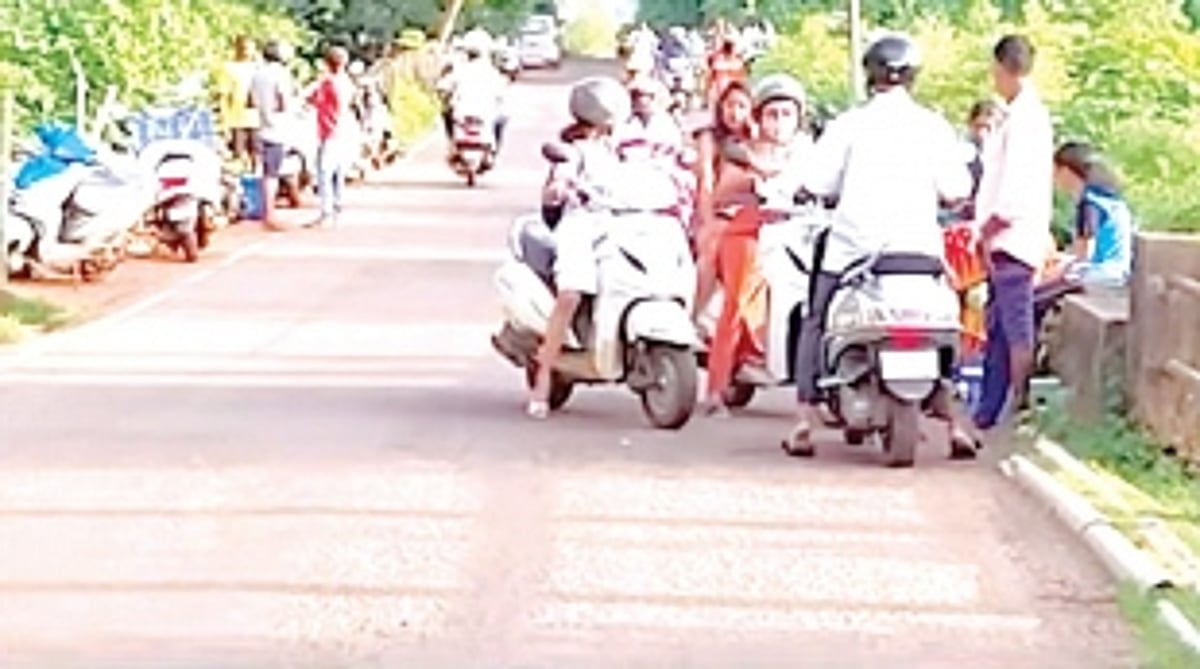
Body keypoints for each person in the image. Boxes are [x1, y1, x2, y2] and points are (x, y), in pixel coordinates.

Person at [784, 33, 978, 458]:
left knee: (815, 319)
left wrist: (810, 192)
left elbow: (818, 183)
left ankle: (804, 420)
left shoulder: (849, 124)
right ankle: (957, 423)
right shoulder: (933, 126)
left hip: (854, 254)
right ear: (913, 76)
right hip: (920, 254)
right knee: (946, 324)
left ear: (870, 75)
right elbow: (957, 188)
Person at [701, 74, 812, 416]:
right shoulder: (744, 154)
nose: (779, 123)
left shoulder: (811, 153)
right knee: (737, 303)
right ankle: (716, 388)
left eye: (787, 115)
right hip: (751, 232)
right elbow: (721, 194)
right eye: (772, 115)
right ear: (759, 118)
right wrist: (754, 180)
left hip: (803, 231)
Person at [527, 77, 630, 419]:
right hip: (580, 223)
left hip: (619, 223)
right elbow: (560, 176)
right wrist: (560, 187)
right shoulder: (573, 149)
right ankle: (543, 374)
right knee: (571, 292)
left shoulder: (622, 149)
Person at [971, 34, 1055, 434]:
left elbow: (1015, 186)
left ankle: (1019, 407)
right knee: (1000, 328)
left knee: (1016, 327)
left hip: (1013, 237)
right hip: (1008, 237)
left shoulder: (1026, 120)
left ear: (1003, 68)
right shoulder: (1020, 115)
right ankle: (988, 411)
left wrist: (990, 226)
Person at [692, 81, 756, 318]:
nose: (735, 112)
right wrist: (707, 221)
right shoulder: (710, 138)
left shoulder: (757, 139)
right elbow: (706, 181)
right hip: (719, 211)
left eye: (742, 106)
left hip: (753, 213)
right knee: (710, 251)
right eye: (730, 105)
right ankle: (694, 315)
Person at [1046, 141, 1136, 288]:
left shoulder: (1090, 204)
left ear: (1067, 171)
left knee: (1048, 284)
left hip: (1104, 272)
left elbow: (1084, 254)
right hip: (1119, 271)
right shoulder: (1109, 200)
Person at [247, 39, 299, 231]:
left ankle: (268, 212)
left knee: (264, 171)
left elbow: (250, 101)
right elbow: (284, 101)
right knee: (272, 174)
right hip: (277, 128)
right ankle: (270, 215)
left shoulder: (257, 74)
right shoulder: (281, 75)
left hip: (260, 126)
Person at [305, 45, 358, 228]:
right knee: (338, 173)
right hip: (344, 130)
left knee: (324, 173)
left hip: (329, 131)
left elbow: (310, 99)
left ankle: (326, 212)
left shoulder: (328, 83)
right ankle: (337, 208)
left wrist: (318, 80)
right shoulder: (348, 82)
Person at [436, 29, 508, 157]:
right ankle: (494, 151)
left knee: (445, 113)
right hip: (486, 113)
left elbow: (443, 87)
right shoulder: (491, 71)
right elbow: (501, 93)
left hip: (462, 114)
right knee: (502, 119)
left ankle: (451, 145)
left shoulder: (459, 70)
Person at [216, 36, 260, 171]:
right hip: (237, 119)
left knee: (257, 155)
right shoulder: (228, 68)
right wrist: (225, 121)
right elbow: (223, 96)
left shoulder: (259, 67)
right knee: (238, 157)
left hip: (258, 119)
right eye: (244, 47)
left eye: (250, 48)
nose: (247, 51)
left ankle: (257, 184)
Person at [706, 37, 747, 108]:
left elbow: (710, 78)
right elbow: (743, 78)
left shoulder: (718, 64)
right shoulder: (738, 63)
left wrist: (708, 89)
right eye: (734, 48)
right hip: (731, 93)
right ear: (732, 50)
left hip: (722, 93)